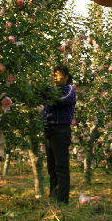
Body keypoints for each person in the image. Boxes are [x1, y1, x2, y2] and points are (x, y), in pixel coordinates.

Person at [42, 64, 76, 204]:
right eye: (54, 74)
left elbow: (60, 100)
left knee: (61, 166)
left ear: (66, 77)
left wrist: (46, 92)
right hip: (49, 130)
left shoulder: (69, 90)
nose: (55, 77)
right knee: (51, 167)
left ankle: (62, 201)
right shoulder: (53, 90)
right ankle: (53, 197)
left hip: (61, 130)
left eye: (58, 74)